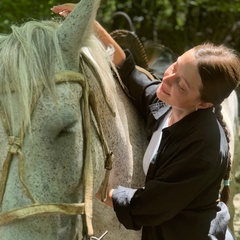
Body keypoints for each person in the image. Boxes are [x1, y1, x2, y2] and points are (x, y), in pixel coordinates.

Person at [52, 4, 240, 239]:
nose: (168, 79)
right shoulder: (167, 105)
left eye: (181, 84)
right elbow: (128, 71)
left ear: (203, 104)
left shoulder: (203, 149)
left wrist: (97, 192)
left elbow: (148, 206)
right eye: (175, 66)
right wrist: (93, 27)